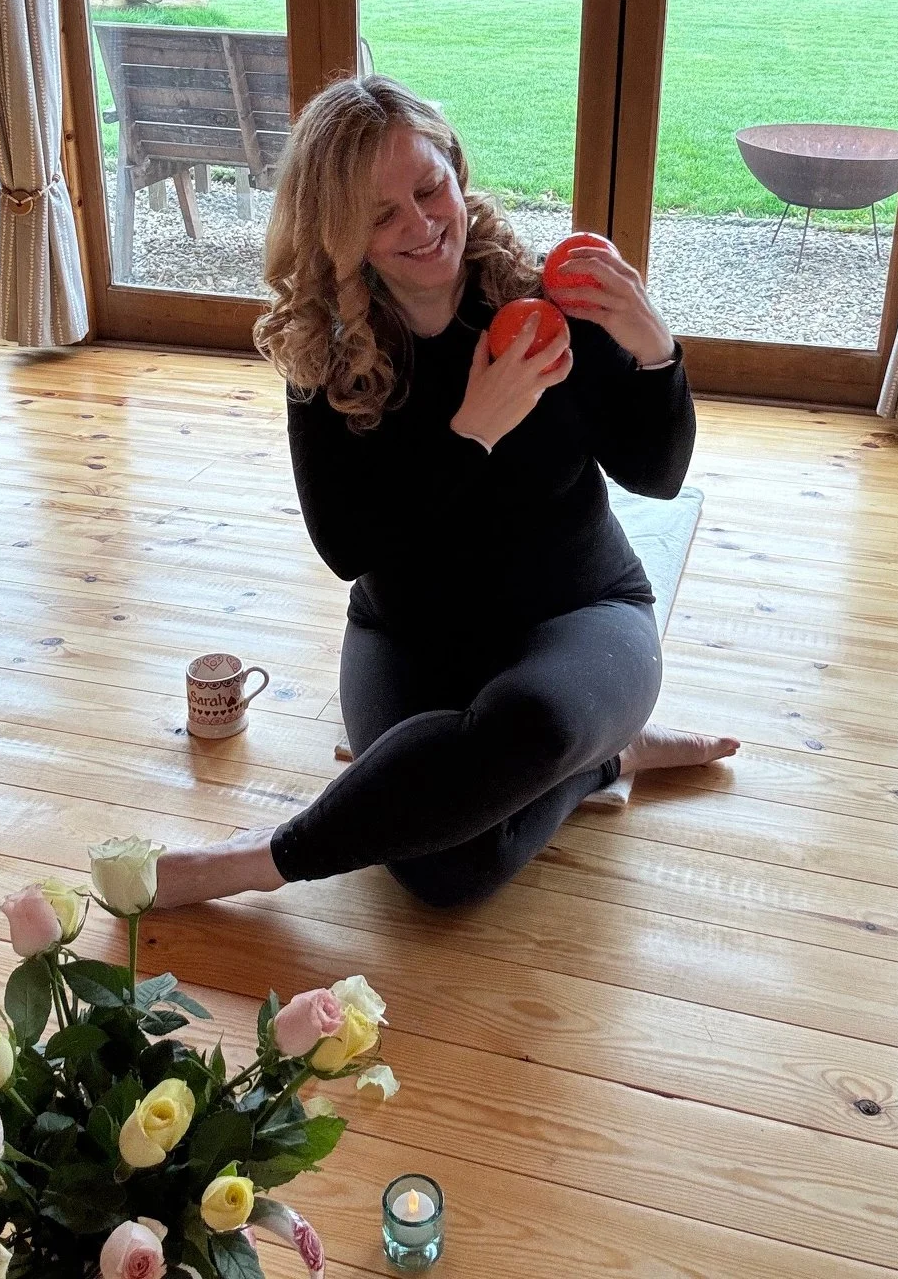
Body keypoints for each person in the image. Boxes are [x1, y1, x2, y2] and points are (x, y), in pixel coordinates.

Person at [155, 75, 737, 911]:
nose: (423, 225)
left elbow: (657, 475)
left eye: (430, 190)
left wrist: (655, 350)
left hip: (582, 615)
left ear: (457, 172)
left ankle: (253, 860)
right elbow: (346, 547)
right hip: (408, 636)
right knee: (444, 872)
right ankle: (605, 756)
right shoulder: (327, 349)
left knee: (534, 722)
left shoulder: (545, 304)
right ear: (338, 234)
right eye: (380, 215)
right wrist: (469, 434)